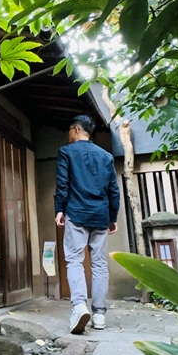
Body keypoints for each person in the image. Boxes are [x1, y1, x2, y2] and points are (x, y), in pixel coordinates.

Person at [54, 114, 120, 334]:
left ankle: (79, 306)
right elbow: (113, 190)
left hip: (77, 213)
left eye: (69, 132)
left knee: (74, 260)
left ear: (75, 129)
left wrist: (59, 210)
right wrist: (113, 217)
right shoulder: (106, 156)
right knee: (99, 265)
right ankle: (99, 315)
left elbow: (63, 184)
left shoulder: (66, 152)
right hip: (100, 215)